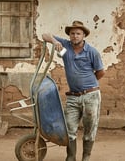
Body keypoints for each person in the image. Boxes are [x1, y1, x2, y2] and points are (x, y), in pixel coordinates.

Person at [42, 20, 104, 161]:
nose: (75, 36)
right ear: (69, 35)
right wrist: (54, 41)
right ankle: (71, 157)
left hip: (91, 96)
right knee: (69, 130)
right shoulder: (65, 47)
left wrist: (88, 84)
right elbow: (44, 35)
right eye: (72, 33)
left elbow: (101, 72)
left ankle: (86, 157)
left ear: (83, 35)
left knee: (89, 130)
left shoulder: (92, 52)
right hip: (73, 97)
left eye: (78, 33)